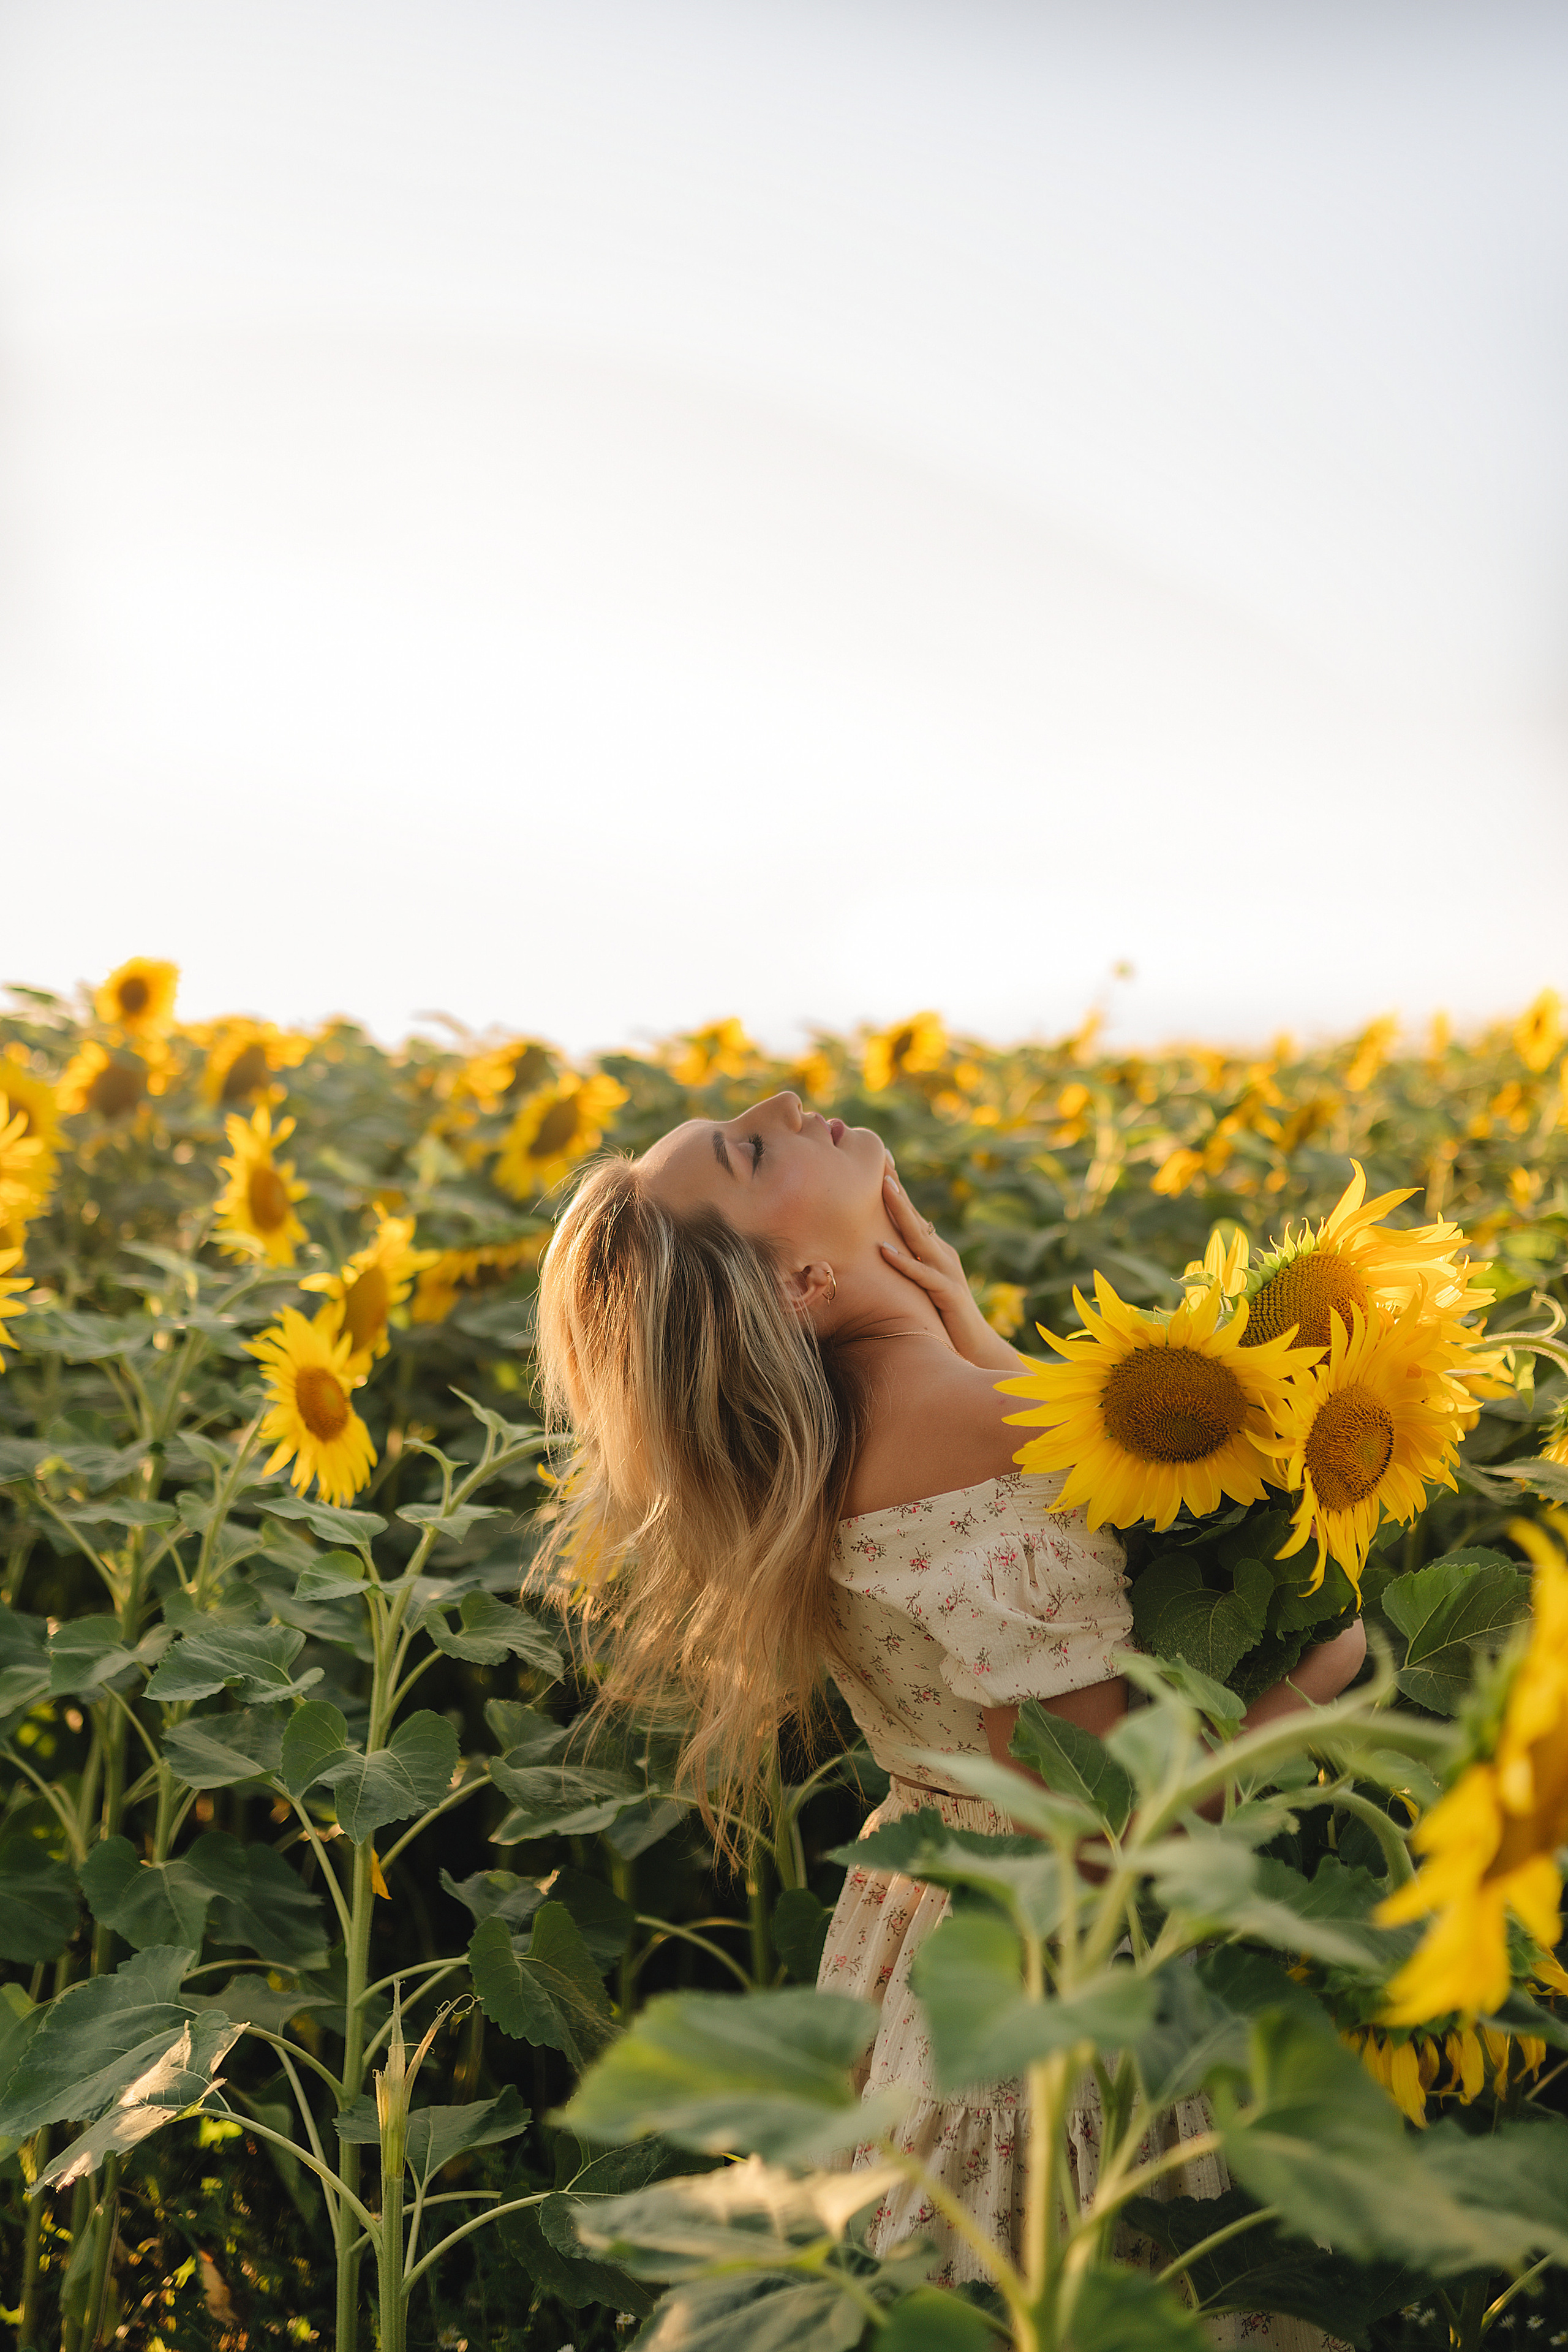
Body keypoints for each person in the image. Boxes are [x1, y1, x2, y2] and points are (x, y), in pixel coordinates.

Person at [535, 1090, 1366, 2345]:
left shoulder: (871, 1431)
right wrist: (1318, 1678)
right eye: (747, 1152)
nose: (779, 1100)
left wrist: (955, 1316)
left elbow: (1038, 1490)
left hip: (941, 1950)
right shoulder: (971, 1434)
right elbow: (1094, 1827)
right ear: (804, 1282)